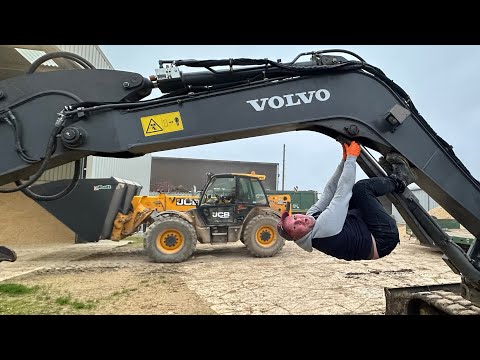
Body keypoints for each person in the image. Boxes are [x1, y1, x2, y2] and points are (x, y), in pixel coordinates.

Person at [277, 141, 417, 261]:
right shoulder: (322, 231)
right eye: (295, 226)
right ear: (297, 238)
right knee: (360, 189)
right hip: (383, 239)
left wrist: (343, 161)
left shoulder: (311, 216)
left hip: (365, 229)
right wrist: (351, 159)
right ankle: (402, 178)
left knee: (352, 197)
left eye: (294, 217)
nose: (300, 220)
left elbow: (329, 191)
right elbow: (341, 194)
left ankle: (387, 176)